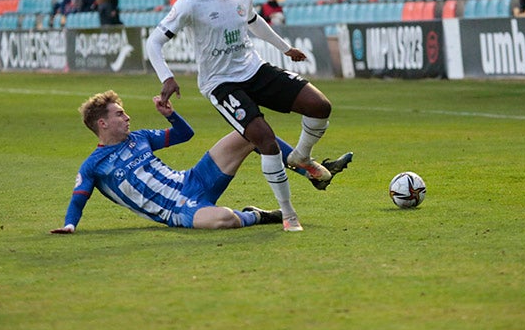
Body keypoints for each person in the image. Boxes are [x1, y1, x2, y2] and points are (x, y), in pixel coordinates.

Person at [146, 0, 342, 232]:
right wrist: (167, 76)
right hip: (221, 84)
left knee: (320, 106)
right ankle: (288, 215)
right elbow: (154, 41)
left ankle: (301, 156)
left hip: (254, 69)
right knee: (265, 140)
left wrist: (285, 48)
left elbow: (254, 21)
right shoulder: (190, 2)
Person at [50, 92, 351, 233]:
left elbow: (185, 134)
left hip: (193, 180)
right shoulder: (93, 165)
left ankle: (311, 169)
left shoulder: (140, 138)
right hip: (178, 211)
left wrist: (169, 114)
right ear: (102, 124)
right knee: (221, 221)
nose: (127, 117)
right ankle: (259, 216)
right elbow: (79, 198)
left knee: (249, 132)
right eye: (119, 114)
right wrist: (69, 225)